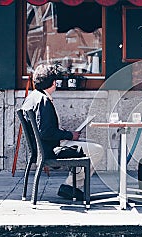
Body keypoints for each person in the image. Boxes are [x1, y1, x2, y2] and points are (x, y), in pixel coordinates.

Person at [21, 64, 104, 200]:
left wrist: (67, 134)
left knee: (88, 146)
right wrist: (70, 135)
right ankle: (71, 186)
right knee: (97, 150)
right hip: (51, 149)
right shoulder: (44, 101)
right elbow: (46, 132)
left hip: (43, 147)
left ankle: (71, 186)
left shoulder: (33, 97)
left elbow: (44, 129)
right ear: (54, 83)